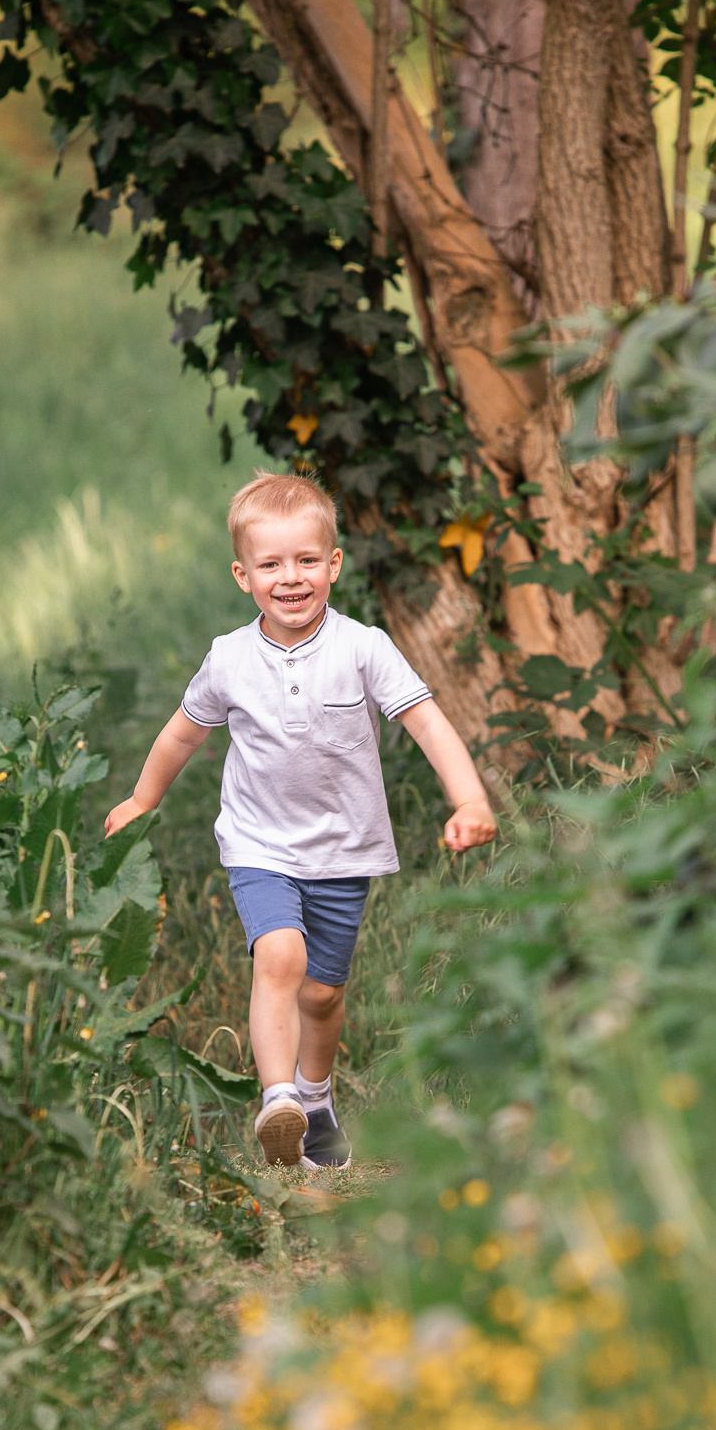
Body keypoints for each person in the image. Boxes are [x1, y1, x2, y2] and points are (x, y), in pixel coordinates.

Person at [104, 470, 497, 1171]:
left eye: (307, 560)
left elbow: (427, 723)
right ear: (243, 576)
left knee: (322, 994)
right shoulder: (230, 659)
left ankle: (315, 1099)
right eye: (271, 565)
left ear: (333, 564)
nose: (290, 578)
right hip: (259, 844)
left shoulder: (363, 647)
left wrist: (468, 800)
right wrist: (141, 800)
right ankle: (278, 1098)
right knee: (280, 957)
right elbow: (182, 735)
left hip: (345, 850)